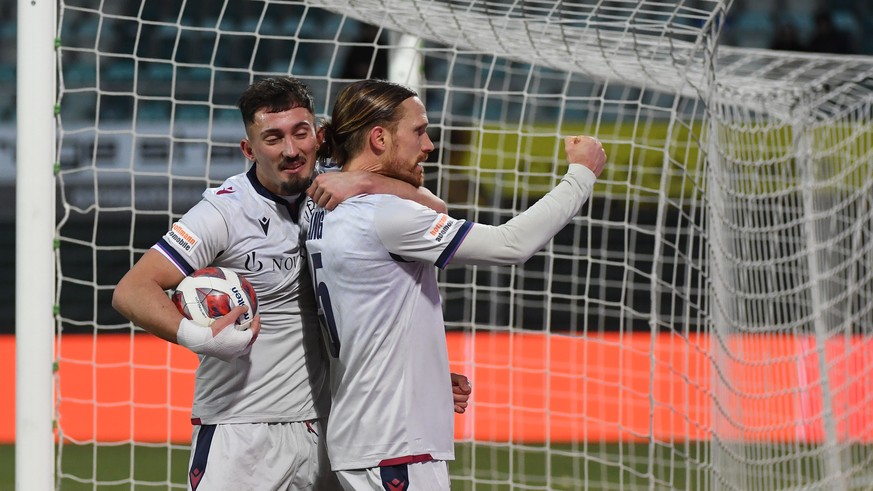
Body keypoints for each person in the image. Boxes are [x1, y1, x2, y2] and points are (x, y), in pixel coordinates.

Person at [112, 76, 468, 491]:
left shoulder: (342, 196)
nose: (291, 150)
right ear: (249, 149)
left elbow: (435, 208)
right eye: (273, 138)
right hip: (241, 431)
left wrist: (366, 181)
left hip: (328, 432)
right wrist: (201, 337)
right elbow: (132, 290)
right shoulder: (223, 213)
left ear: (319, 136)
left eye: (301, 133)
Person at [302, 79, 606, 490]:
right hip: (398, 443)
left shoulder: (319, 208)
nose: (428, 145)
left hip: (365, 433)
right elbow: (510, 244)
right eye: (419, 131)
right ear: (379, 137)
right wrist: (581, 176)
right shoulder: (387, 217)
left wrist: (421, 371)